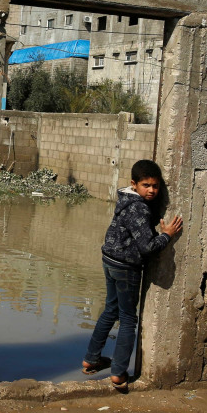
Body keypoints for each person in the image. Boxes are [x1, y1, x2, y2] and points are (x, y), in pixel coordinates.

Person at [81, 159, 182, 392]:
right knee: (128, 319)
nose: (152, 191)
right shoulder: (138, 208)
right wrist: (166, 235)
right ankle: (118, 373)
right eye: (146, 185)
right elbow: (147, 246)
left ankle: (91, 359)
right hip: (126, 266)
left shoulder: (125, 200)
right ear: (133, 184)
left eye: (155, 186)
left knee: (111, 309)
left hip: (110, 260)